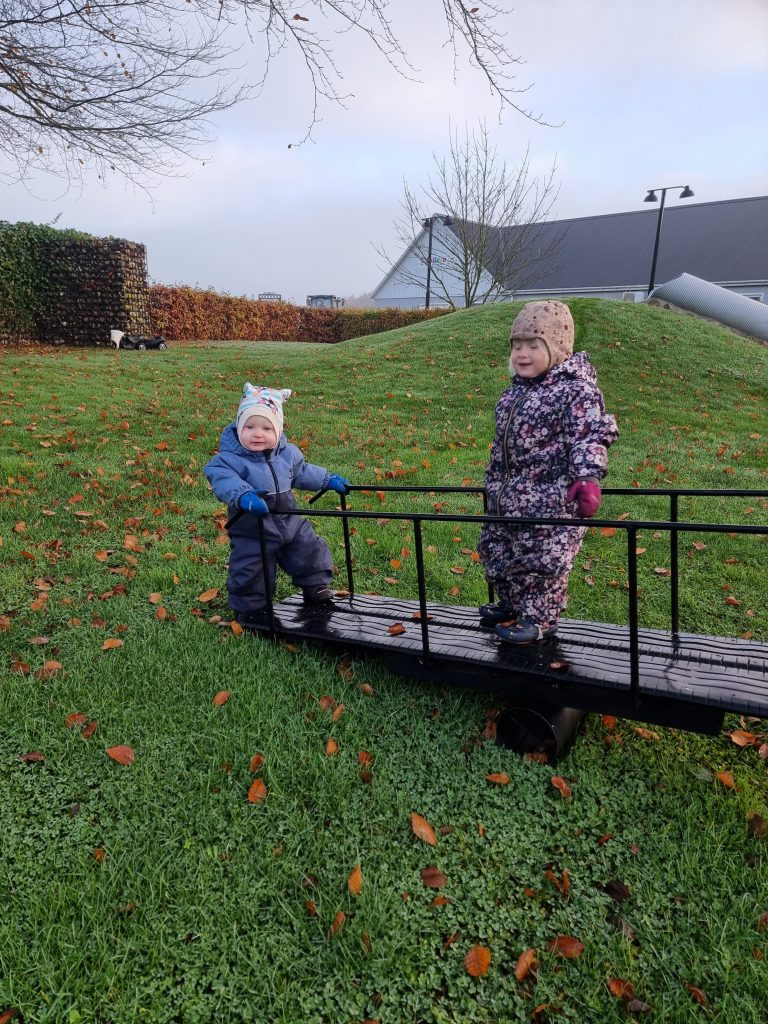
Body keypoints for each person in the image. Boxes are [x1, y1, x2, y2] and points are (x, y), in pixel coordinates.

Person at [477, 301, 618, 644]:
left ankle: (540, 620)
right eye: (517, 346)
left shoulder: (576, 391)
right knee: (499, 551)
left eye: (533, 346)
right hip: (507, 497)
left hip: (550, 502)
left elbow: (589, 435)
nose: (522, 354)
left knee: (541, 562)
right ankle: (513, 604)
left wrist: (588, 478)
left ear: (556, 350)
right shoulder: (514, 392)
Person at [203, 383, 350, 630]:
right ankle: (251, 608)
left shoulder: (287, 454)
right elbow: (223, 480)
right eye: (249, 427)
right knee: (252, 567)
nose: (257, 434)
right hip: (253, 528)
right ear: (238, 427)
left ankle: (315, 587)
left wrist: (326, 480)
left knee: (309, 548)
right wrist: (244, 496)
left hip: (288, 520)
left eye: (266, 428)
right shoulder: (228, 460)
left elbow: (302, 472)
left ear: (278, 430)